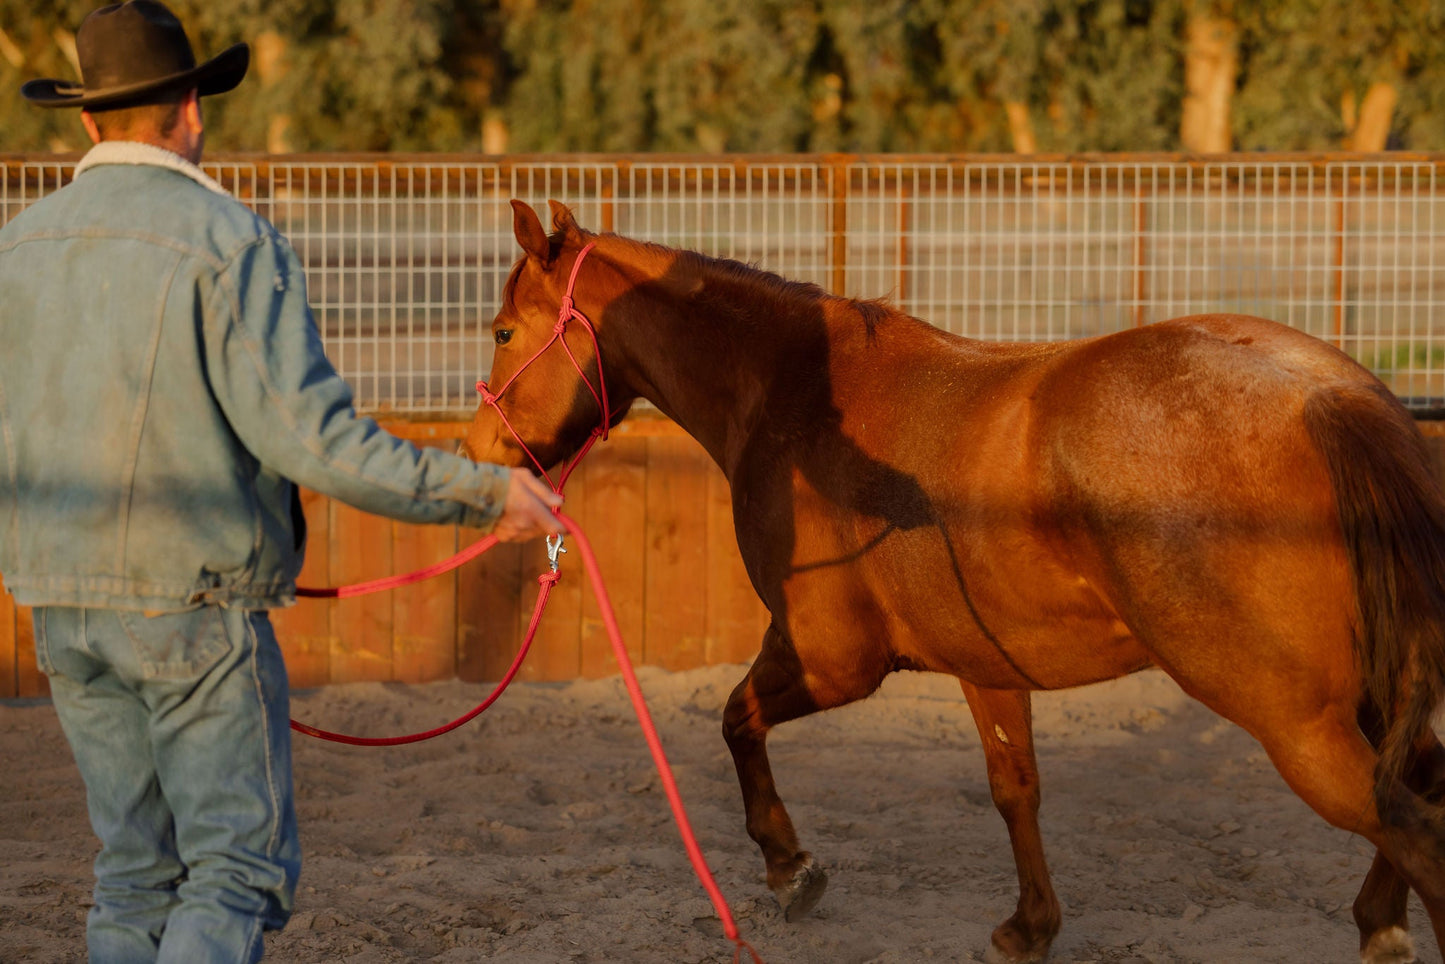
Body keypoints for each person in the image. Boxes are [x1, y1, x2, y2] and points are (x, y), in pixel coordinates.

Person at [0, 3, 562, 961]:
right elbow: (319, 444)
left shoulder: (18, 248)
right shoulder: (229, 243)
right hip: (194, 607)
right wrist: (486, 492)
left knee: (132, 873)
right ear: (191, 107)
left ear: (89, 121)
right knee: (232, 876)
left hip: (58, 605)